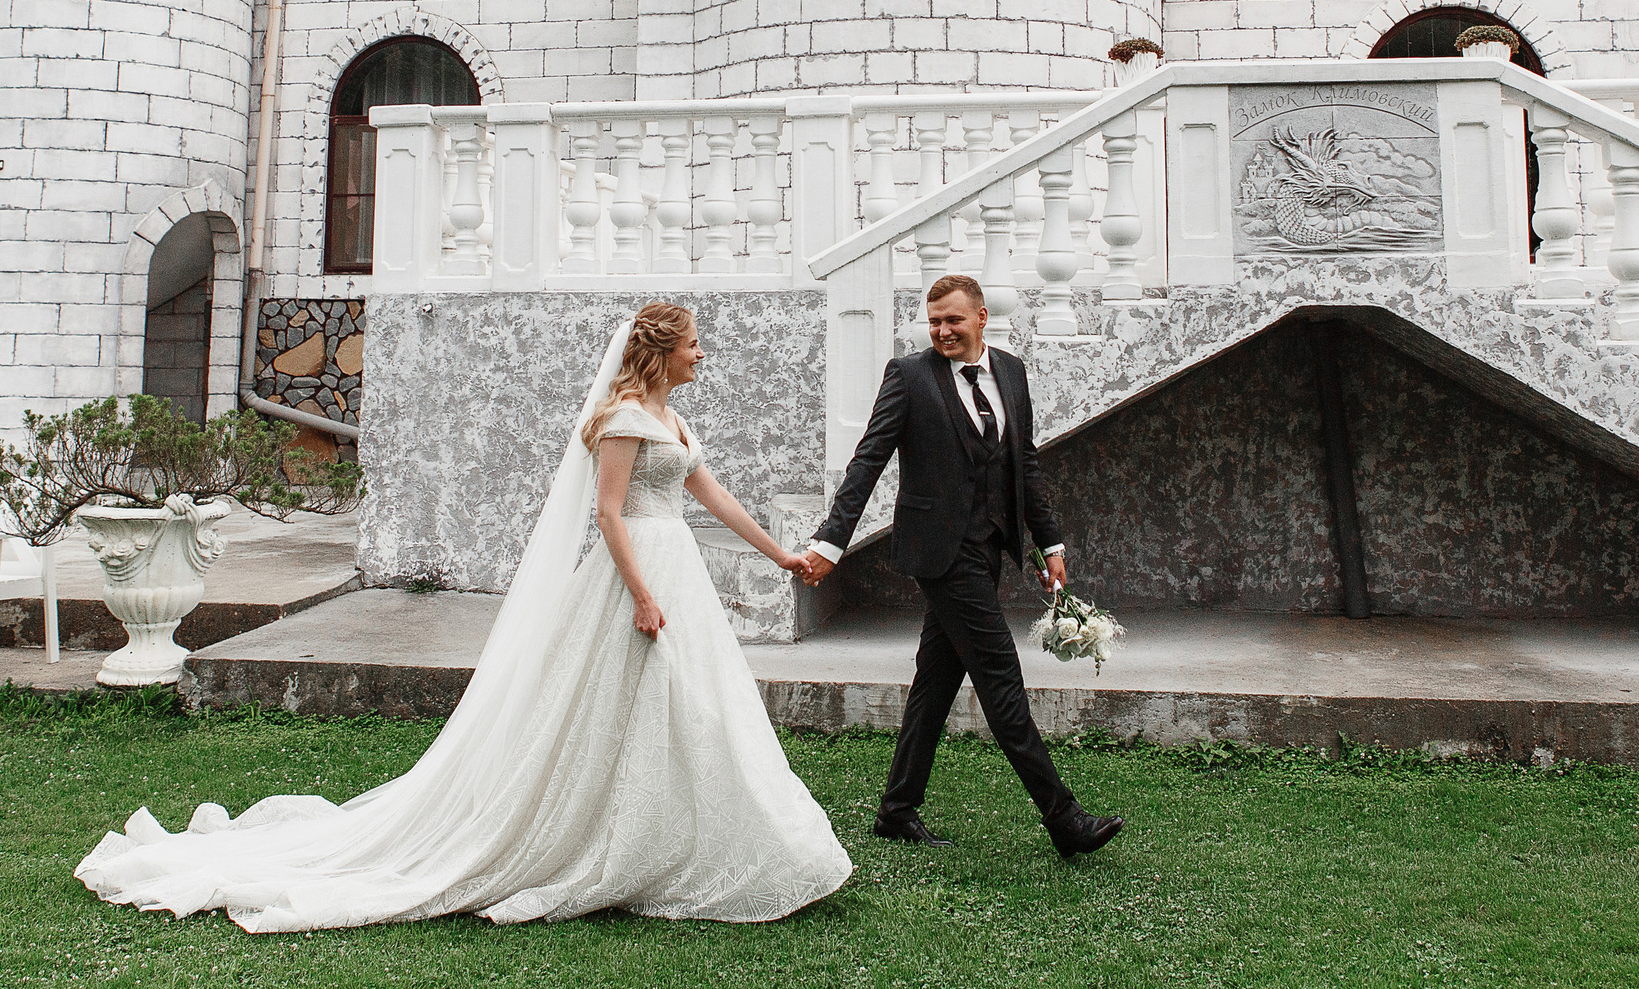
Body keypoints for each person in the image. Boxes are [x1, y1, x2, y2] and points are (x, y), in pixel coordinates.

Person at [75, 303, 852, 929]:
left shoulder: (675, 422)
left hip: (676, 566)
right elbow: (610, 514)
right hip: (636, 575)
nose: (702, 355)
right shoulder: (621, 420)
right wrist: (643, 592)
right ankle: (603, 839)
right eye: (694, 345)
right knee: (620, 701)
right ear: (660, 351)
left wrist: (780, 557)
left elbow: (710, 495)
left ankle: (685, 834)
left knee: (695, 705)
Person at [795, 274, 1124, 858]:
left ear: (981, 319)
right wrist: (831, 541)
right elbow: (869, 458)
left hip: (988, 546)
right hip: (939, 553)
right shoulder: (909, 376)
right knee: (1001, 681)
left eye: (953, 320)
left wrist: (1050, 546)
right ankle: (1064, 818)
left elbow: (1024, 463)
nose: (943, 331)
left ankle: (897, 810)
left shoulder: (1013, 373)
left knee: (937, 680)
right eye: (934, 322)